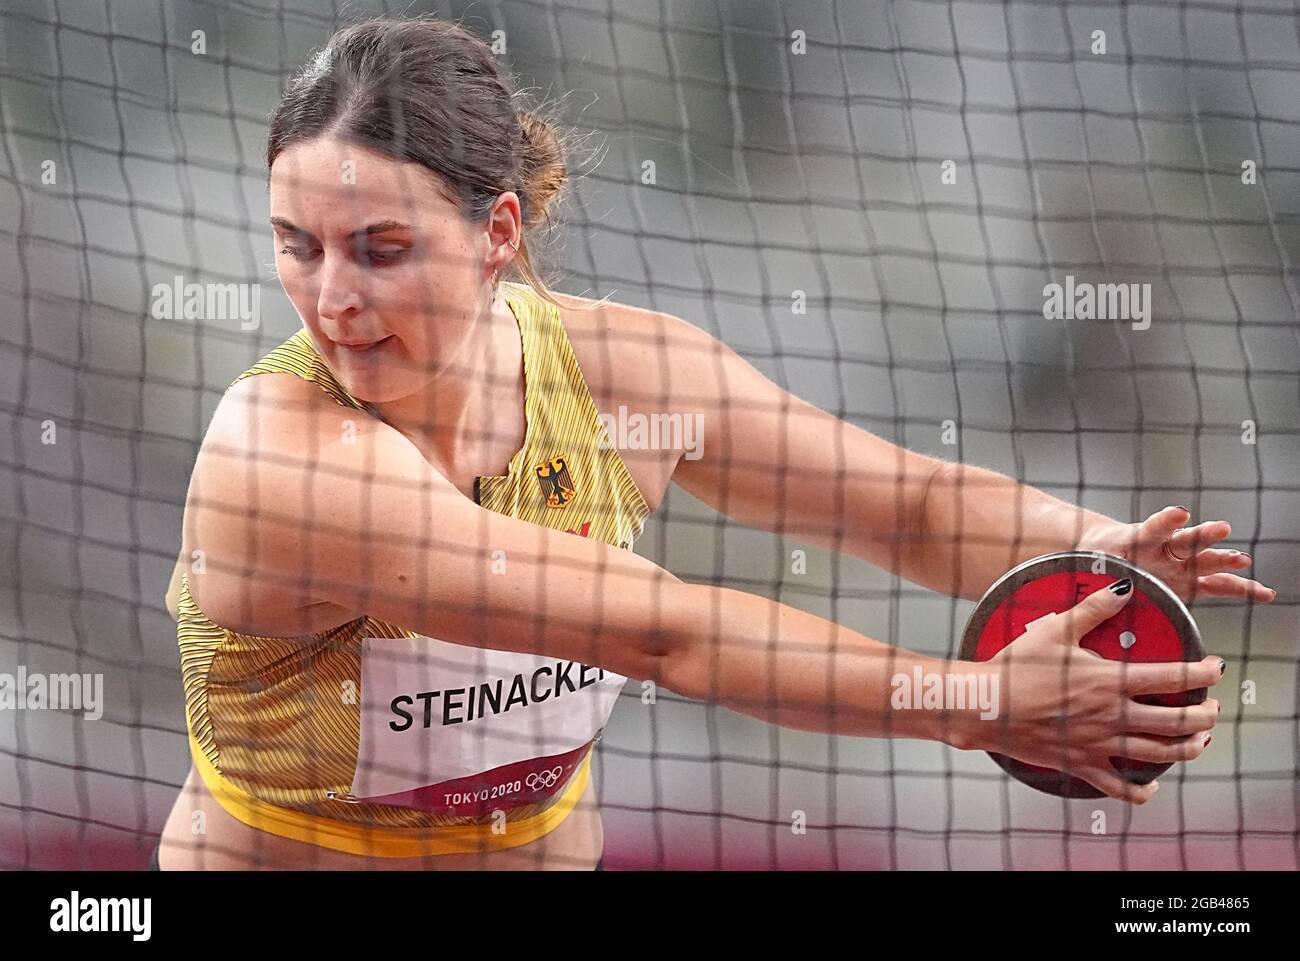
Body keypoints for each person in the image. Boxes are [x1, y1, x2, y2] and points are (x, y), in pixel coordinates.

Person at [156, 16, 1273, 871]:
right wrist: (970, 701)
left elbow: (909, 507)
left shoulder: (627, 375)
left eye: (381, 247)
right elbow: (666, 634)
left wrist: (1092, 552)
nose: (332, 296)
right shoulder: (282, 460)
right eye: (297, 246)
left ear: (497, 232)